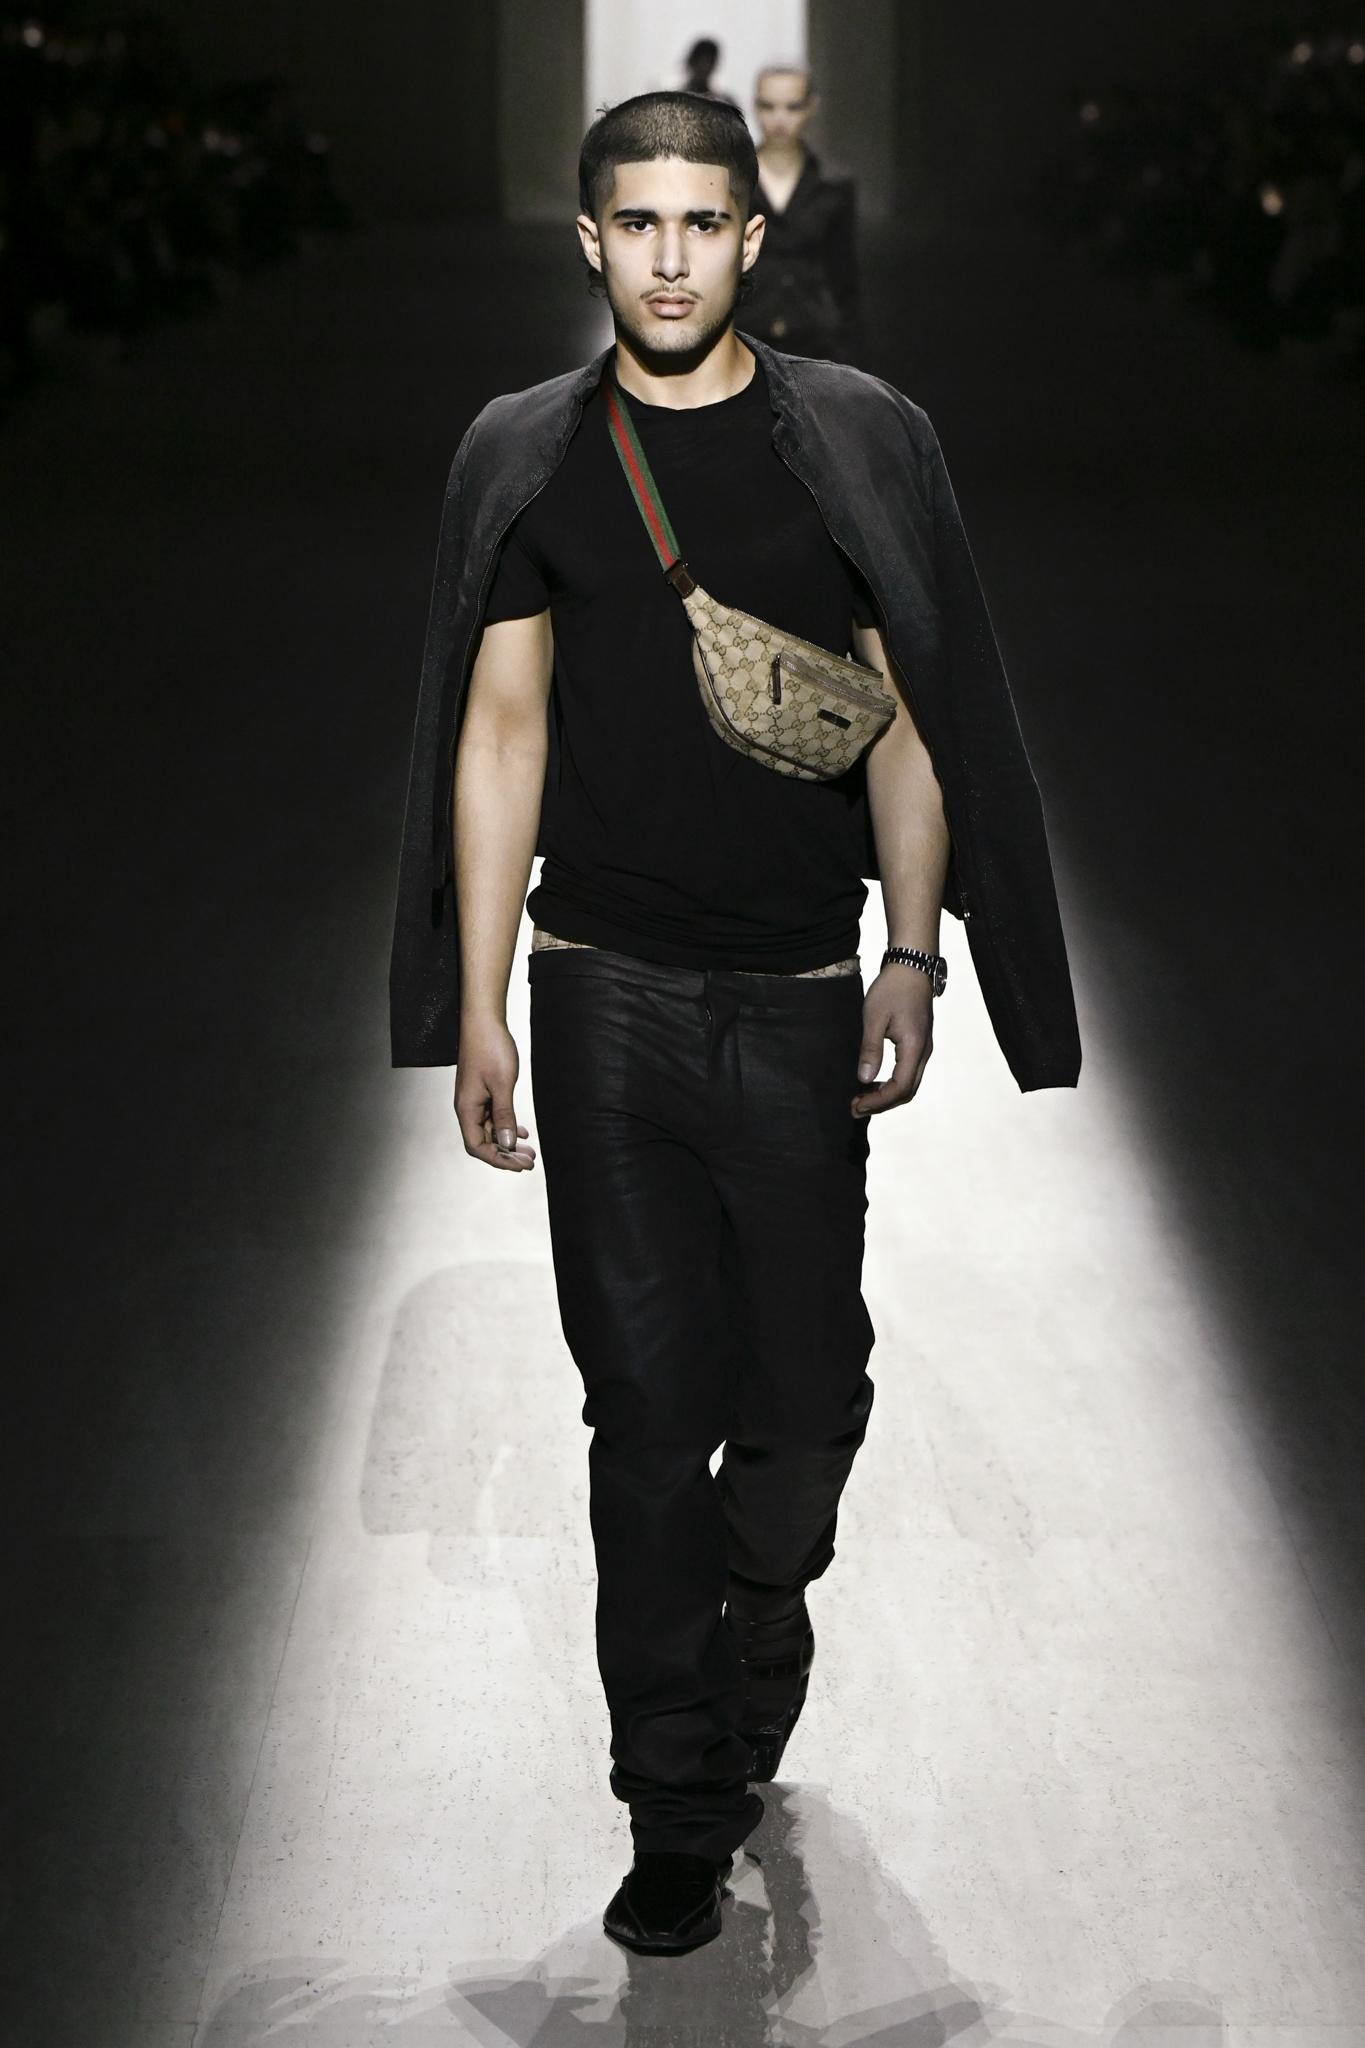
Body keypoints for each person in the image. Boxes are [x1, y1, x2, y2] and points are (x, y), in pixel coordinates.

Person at [388, 90, 1080, 1959]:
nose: (673, 256)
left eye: (706, 222)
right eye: (641, 224)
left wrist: (914, 952)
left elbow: (909, 714)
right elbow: (499, 731)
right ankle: (675, 1803)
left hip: (794, 995)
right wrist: (481, 1000)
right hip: (599, 987)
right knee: (642, 1417)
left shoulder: (854, 441)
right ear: (591, 240)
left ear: (755, 237)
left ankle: (761, 1616)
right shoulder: (529, 455)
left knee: (804, 1403)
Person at [742, 62, 861, 362]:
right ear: (755, 106)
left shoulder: (834, 186)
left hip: (816, 340)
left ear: (811, 106)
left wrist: (851, 353)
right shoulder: (735, 182)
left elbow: (843, 276)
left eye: (792, 107)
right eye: (768, 106)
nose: (780, 118)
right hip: (744, 335)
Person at [680, 35, 740, 109]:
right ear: (692, 62)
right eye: (701, 61)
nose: (705, 67)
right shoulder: (676, 101)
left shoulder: (725, 103)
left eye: (709, 62)